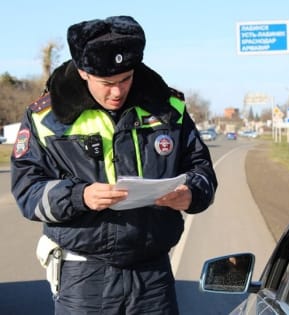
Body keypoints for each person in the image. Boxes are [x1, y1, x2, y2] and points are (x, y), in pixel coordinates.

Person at [10, 15, 217, 315]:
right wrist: (79, 196)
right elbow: (28, 192)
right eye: (107, 83)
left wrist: (191, 193)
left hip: (153, 277)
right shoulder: (45, 118)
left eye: (125, 79)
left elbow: (202, 171)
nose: (117, 92)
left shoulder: (170, 109)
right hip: (83, 279)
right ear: (83, 72)